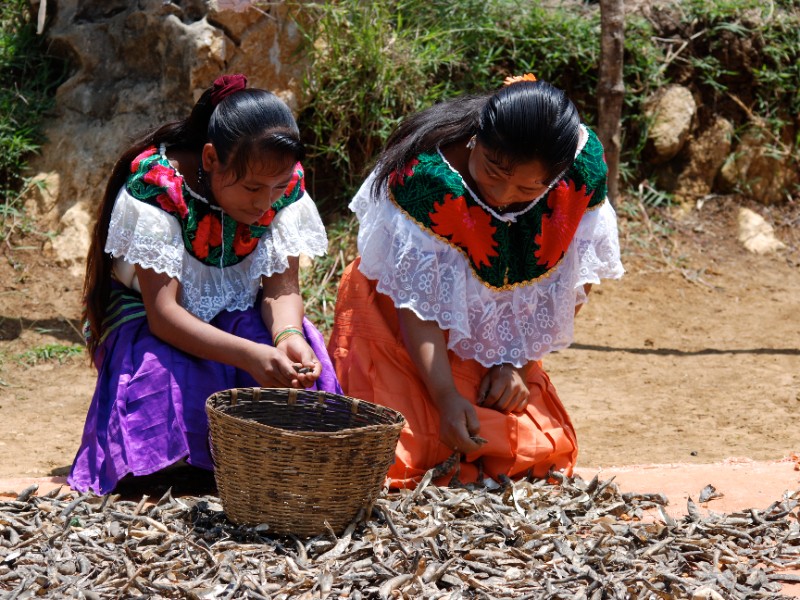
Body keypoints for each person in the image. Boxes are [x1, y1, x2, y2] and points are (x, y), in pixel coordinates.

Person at [329, 75, 624, 489]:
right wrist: (446, 396)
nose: (503, 194)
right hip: (398, 320)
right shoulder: (427, 177)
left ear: (556, 177)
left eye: (527, 187)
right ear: (476, 141)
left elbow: (570, 280)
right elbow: (417, 305)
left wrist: (516, 364)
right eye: (492, 170)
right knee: (398, 461)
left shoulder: (580, 173)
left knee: (537, 458)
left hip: (505, 335)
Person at [69, 74, 341, 495]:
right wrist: (252, 357)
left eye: (276, 188)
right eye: (252, 187)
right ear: (211, 159)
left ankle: (258, 463)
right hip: (155, 321)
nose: (264, 203)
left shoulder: (281, 184)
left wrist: (285, 335)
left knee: (298, 377)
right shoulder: (157, 190)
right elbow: (165, 316)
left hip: (238, 314)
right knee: (159, 390)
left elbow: (281, 289)